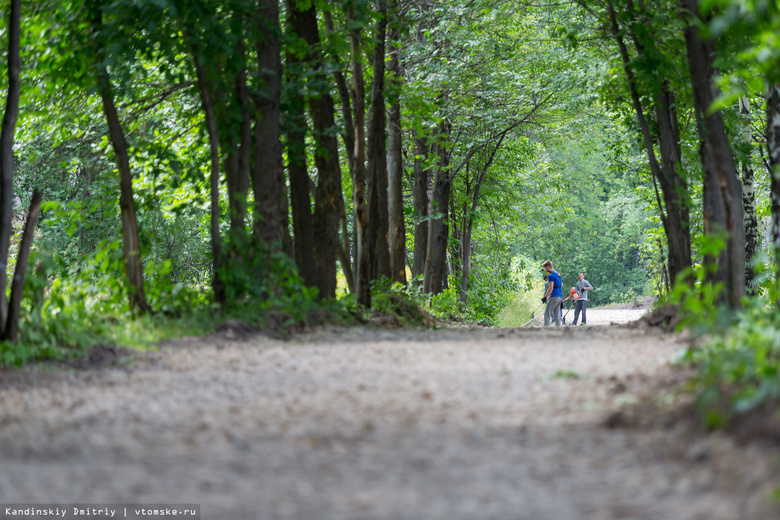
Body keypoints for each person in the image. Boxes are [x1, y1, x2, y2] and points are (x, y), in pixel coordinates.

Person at [541, 260, 562, 326]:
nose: (544, 270)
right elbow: (560, 285)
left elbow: (551, 288)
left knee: (547, 314)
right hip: (560, 297)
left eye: (545, 268)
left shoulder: (551, 275)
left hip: (554, 297)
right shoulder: (558, 274)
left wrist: (545, 297)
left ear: (548, 267)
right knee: (557, 316)